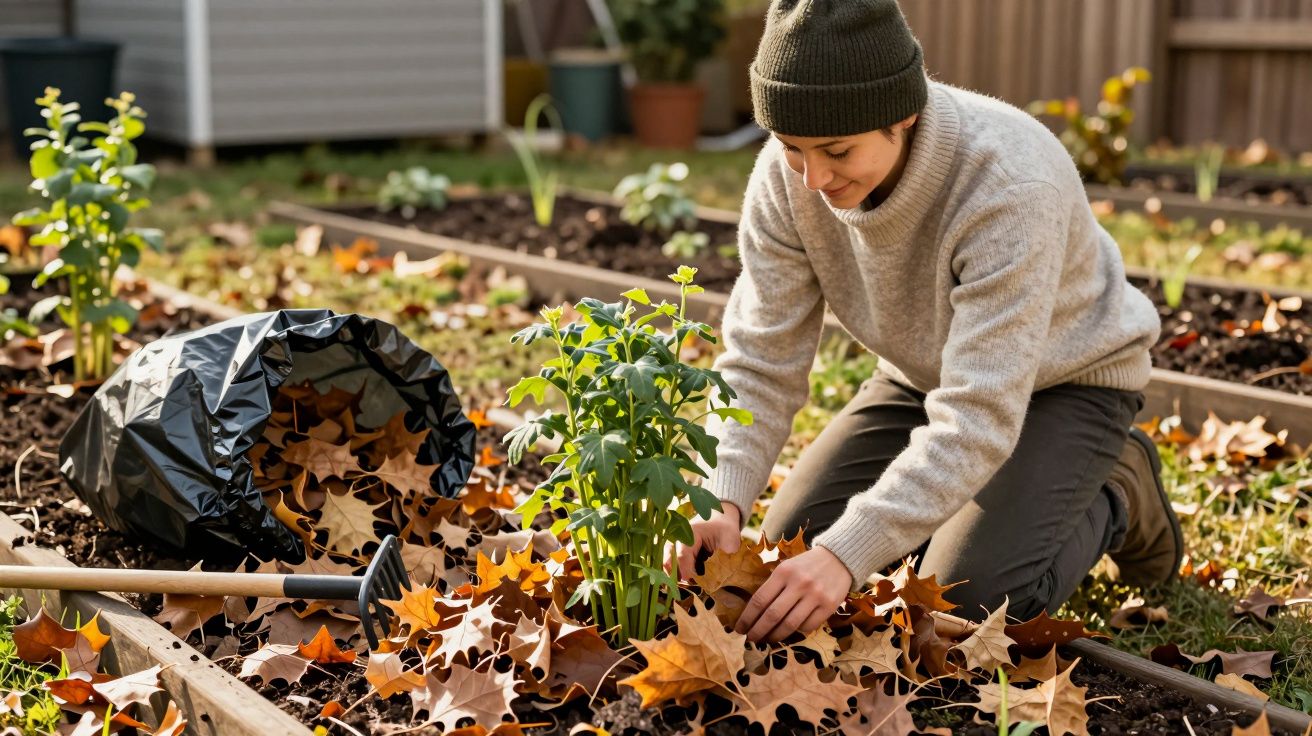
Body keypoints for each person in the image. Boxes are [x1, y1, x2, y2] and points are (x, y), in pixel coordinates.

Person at [673, 0, 1183, 644]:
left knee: (966, 607)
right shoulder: (789, 179)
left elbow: (979, 412)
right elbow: (760, 362)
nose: (813, 178)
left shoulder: (1008, 184)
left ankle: (1117, 485)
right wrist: (719, 497)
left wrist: (846, 555)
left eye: (836, 151)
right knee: (785, 548)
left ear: (903, 115)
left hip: (1070, 380)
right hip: (923, 378)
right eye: (790, 148)